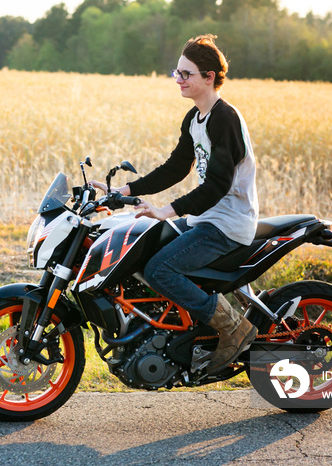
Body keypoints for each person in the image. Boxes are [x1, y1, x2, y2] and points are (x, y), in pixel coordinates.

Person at [90, 34, 258, 374]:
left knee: (159, 269)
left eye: (186, 74)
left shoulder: (224, 118)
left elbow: (216, 187)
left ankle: (232, 327)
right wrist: (124, 190)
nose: (178, 80)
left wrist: (166, 211)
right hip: (206, 220)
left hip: (227, 224)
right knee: (140, 250)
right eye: (176, 72)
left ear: (209, 77)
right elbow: (175, 168)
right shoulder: (195, 118)